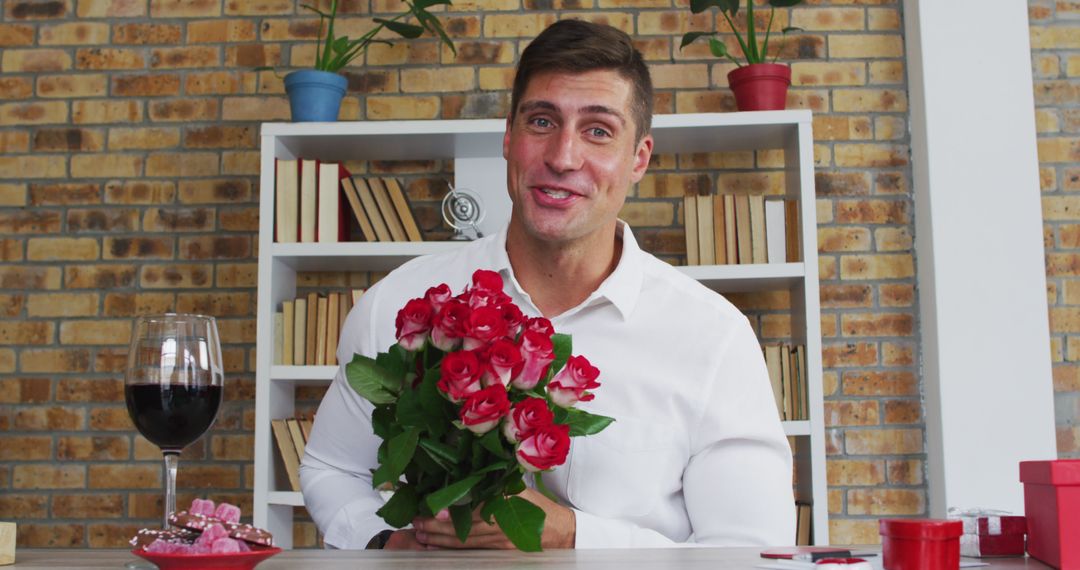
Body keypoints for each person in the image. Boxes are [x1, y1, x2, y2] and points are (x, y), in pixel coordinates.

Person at [300, 19, 794, 550]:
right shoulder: (403, 305)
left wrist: (570, 534)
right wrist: (386, 544)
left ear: (638, 160)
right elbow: (333, 470)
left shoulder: (714, 338)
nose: (562, 157)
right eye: (542, 121)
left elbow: (751, 550)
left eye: (598, 130)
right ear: (509, 139)